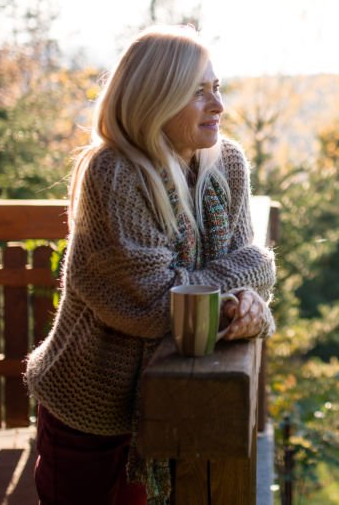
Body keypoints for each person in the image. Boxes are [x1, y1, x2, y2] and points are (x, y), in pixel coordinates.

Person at [24, 26, 276, 505]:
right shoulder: (114, 172)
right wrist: (238, 289)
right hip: (94, 409)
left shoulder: (227, 163)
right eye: (197, 93)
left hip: (178, 396)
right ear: (154, 99)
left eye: (216, 88)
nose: (218, 106)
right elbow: (155, 304)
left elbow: (252, 269)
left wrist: (241, 291)